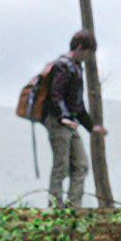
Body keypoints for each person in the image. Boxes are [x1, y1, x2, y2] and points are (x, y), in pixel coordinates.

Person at [41, 30, 104, 209]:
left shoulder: (76, 68)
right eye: (88, 53)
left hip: (71, 123)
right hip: (58, 122)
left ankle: (73, 207)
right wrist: (63, 117)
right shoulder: (63, 65)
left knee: (81, 165)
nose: (88, 58)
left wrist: (92, 127)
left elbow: (78, 104)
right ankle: (55, 207)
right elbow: (56, 95)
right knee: (61, 165)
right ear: (80, 48)